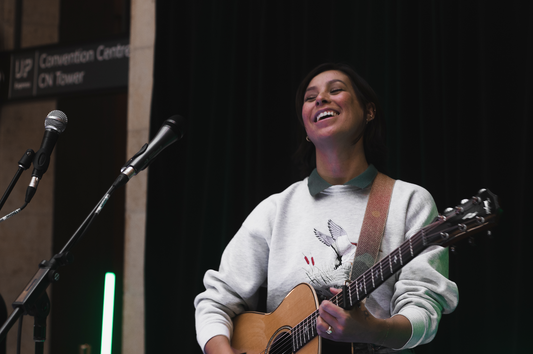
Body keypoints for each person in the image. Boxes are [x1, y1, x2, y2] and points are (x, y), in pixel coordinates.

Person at [194, 63, 459, 354]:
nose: (321, 99)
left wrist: (375, 330)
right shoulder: (275, 209)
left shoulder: (408, 201)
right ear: (306, 128)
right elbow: (217, 300)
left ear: (369, 112)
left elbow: (424, 308)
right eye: (310, 97)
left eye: (336, 90)